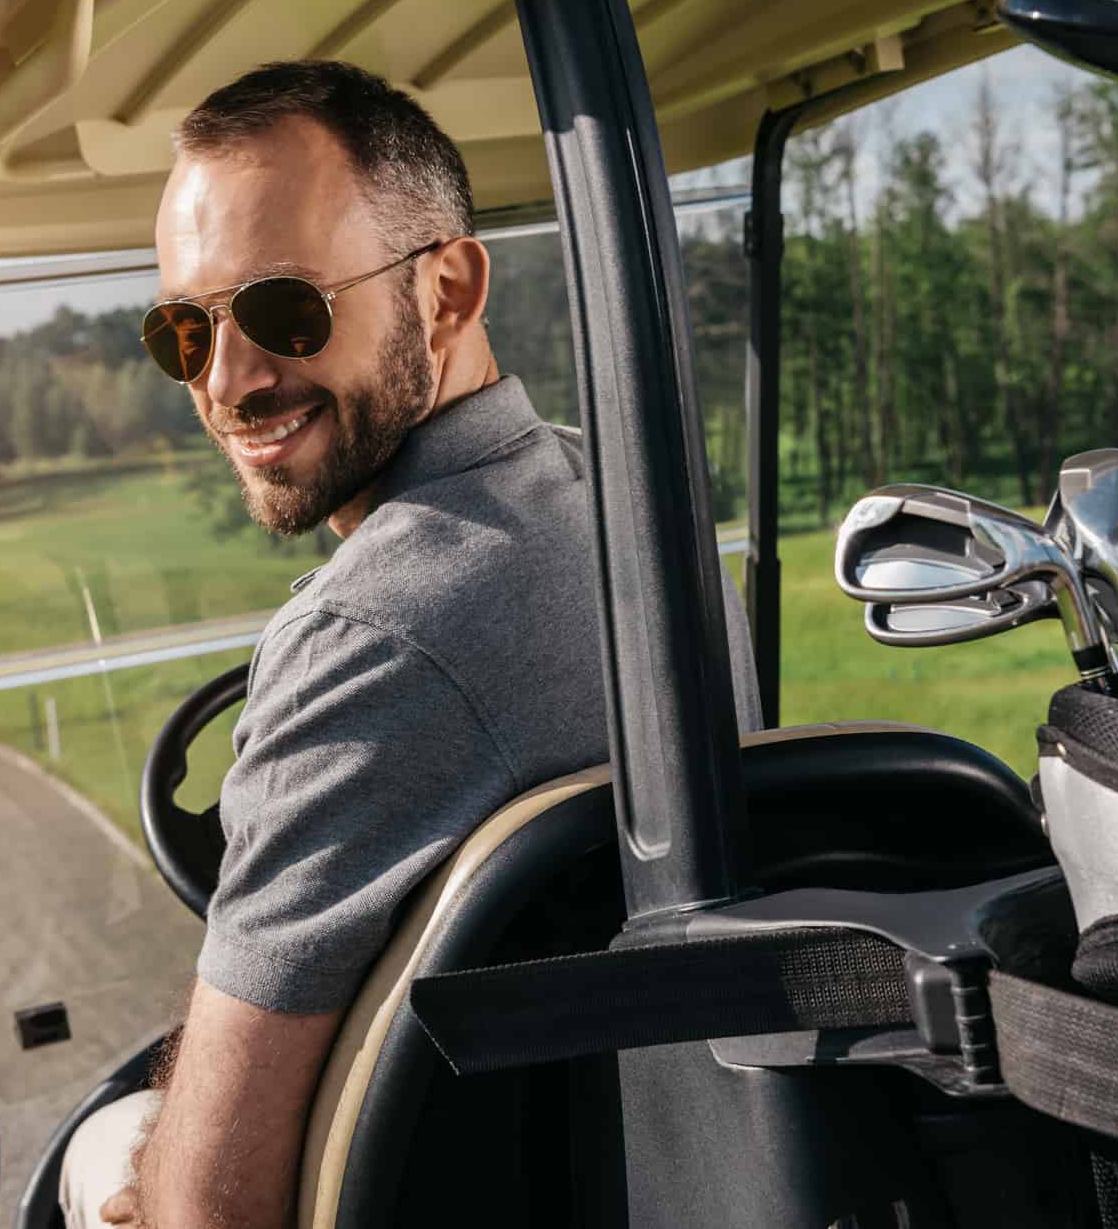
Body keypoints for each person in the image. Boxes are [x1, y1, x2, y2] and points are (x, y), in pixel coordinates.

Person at [58, 60, 762, 1228]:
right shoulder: (631, 507)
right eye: (183, 330)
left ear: (446, 290)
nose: (227, 380)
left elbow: (208, 1209)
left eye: (286, 309)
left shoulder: (360, 636)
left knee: (100, 1155)